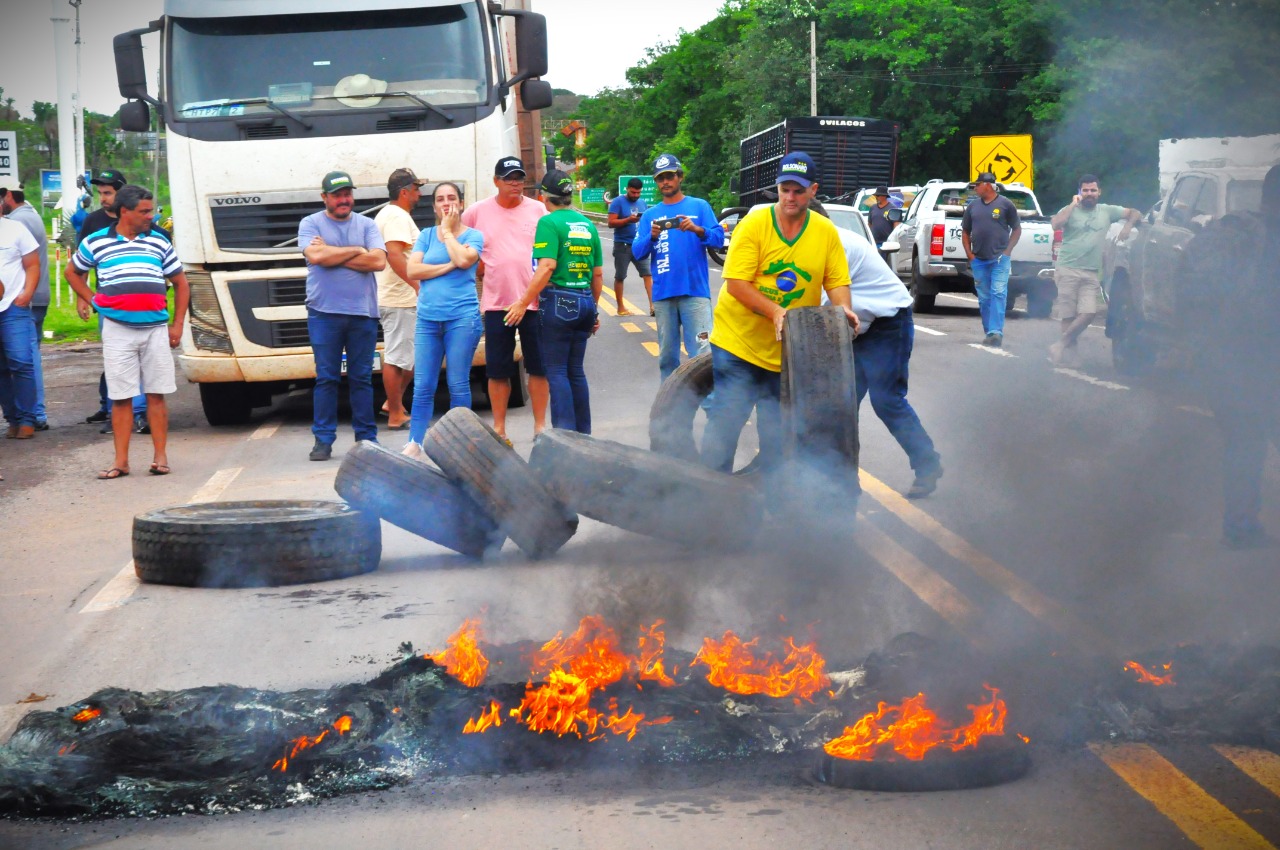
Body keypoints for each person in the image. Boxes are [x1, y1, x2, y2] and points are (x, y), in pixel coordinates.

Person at [701, 151, 858, 474]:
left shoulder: (825, 231)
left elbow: (837, 281)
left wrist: (844, 311)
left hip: (788, 352)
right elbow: (736, 284)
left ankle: (767, 509)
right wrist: (774, 311)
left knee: (777, 435)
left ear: (813, 190)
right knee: (726, 424)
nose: (790, 197)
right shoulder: (754, 224)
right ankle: (708, 505)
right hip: (738, 344)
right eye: (785, 189)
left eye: (798, 191)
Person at [812, 199, 942, 498]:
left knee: (887, 400)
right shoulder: (816, 245)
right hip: (858, 329)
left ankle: (927, 463)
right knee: (844, 405)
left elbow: (818, 303)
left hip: (887, 323)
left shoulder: (837, 246)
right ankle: (841, 481)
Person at [1182, 164, 1280, 549]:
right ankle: (1240, 528)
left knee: (1245, 445)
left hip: (1225, 363)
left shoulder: (1233, 233)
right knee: (1248, 443)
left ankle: (1239, 528)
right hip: (1260, 362)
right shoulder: (1262, 240)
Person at [63, 185, 190, 478]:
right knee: (121, 396)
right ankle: (121, 461)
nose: (151, 216)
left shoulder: (159, 241)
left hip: (155, 327)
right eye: (144, 211)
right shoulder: (96, 241)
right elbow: (72, 271)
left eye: (151, 210)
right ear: (125, 212)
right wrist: (93, 299)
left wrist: (177, 324)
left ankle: (160, 456)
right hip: (117, 329)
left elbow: (181, 284)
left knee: (156, 394)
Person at [504, 169, 602, 434]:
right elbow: (598, 273)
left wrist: (522, 302)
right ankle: (584, 434)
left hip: (559, 301)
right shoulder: (587, 224)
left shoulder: (549, 223)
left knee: (556, 371)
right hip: (584, 300)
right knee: (576, 371)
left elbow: (546, 266)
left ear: (544, 196)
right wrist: (593, 310)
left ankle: (564, 438)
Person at [299, 170, 387, 461]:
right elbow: (316, 257)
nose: (343, 200)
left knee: (362, 378)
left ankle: (367, 439)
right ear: (325, 197)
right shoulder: (310, 223)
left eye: (347, 194)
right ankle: (323, 440)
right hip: (324, 314)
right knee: (327, 378)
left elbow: (378, 261)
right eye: (337, 195)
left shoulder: (367, 224)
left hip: (363, 314)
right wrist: (355, 250)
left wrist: (332, 253)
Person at [461, 156, 549, 441]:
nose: (515, 183)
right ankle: (499, 428)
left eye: (519, 178)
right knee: (498, 369)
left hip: (533, 301)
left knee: (537, 366)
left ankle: (540, 427)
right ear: (496, 181)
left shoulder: (538, 210)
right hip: (497, 303)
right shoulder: (476, 213)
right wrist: (478, 266)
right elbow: (461, 247)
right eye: (509, 178)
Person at [631, 154, 724, 382]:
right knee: (667, 358)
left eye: (670, 176)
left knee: (702, 357)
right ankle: (670, 413)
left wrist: (697, 229)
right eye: (660, 178)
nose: (666, 182)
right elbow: (637, 252)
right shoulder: (650, 215)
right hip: (663, 296)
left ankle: (713, 413)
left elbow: (719, 239)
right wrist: (652, 237)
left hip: (695, 293)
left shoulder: (699, 206)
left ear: (680, 177)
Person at [404, 182, 484, 448]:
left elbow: (464, 261)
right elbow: (412, 271)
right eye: (440, 199)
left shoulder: (474, 235)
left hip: (461, 318)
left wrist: (449, 233)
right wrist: (447, 265)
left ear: (461, 203)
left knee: (458, 384)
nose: (446, 203)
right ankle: (414, 444)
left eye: (451, 198)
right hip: (428, 319)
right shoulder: (426, 235)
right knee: (423, 386)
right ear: (434, 206)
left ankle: (461, 447)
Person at [77, 168, 148, 433]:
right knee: (115, 359)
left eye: (108, 193)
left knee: (137, 360)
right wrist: (83, 298)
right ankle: (115, 412)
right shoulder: (92, 222)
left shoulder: (143, 224)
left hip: (143, 306)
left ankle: (139, 413)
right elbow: (79, 265)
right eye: (101, 193)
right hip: (107, 304)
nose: (104, 198)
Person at [1047, 174, 1140, 366]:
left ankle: (1060, 344)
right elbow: (1056, 223)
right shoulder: (1069, 210)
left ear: (1099, 192)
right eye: (1085, 190)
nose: (1089, 194)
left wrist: (1128, 227)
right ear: (1079, 192)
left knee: (1089, 312)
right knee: (1068, 314)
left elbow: (1135, 212)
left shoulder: (1107, 211)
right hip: (1067, 268)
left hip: (1091, 271)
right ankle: (1071, 355)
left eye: (1093, 190)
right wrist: (1073, 205)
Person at [373, 167, 424, 430]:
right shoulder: (395, 217)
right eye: (416, 189)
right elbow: (394, 254)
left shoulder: (395, 215)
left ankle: (393, 403)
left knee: (411, 357)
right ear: (404, 192)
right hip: (399, 299)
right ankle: (394, 413)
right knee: (397, 357)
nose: (420, 193)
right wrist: (416, 285)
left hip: (401, 298)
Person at [1, 185, 51, 431]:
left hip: (13, 307)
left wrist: (27, 293)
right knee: (1, 367)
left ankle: (28, 418)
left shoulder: (15, 229)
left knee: (21, 361)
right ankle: (12, 418)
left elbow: (32, 264)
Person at [961, 172, 1021, 348]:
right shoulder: (972, 207)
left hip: (999, 259)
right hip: (978, 260)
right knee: (984, 297)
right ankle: (989, 331)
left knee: (999, 292)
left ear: (987, 185)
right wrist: (970, 255)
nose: (975, 188)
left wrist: (1008, 251)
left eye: (977, 185)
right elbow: (965, 231)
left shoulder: (1006, 205)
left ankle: (996, 332)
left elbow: (1016, 229)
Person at [606, 177, 652, 315]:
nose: (635, 195)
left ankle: (653, 306)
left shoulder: (643, 203)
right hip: (623, 245)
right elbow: (610, 222)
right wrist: (628, 220)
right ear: (627, 189)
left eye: (638, 193)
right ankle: (620, 307)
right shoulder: (617, 202)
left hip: (640, 244)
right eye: (633, 192)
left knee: (648, 274)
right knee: (620, 276)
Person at [866, 186, 897, 267]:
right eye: (876, 195)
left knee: (884, 265)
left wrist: (893, 240)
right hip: (874, 242)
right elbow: (869, 224)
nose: (876, 197)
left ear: (884, 196)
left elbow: (896, 225)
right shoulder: (873, 208)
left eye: (878, 195)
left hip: (886, 244)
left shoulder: (892, 208)